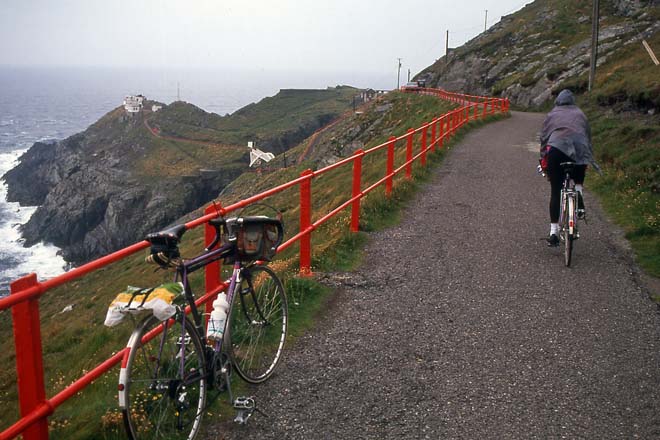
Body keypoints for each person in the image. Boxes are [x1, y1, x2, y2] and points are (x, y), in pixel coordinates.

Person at [539, 89, 599, 247]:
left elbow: (544, 139)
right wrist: (587, 156)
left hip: (556, 151)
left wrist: (543, 160)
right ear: (573, 101)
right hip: (579, 149)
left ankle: (553, 232)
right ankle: (578, 192)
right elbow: (587, 137)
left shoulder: (552, 114)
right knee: (579, 171)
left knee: (556, 191)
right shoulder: (580, 114)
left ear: (558, 100)